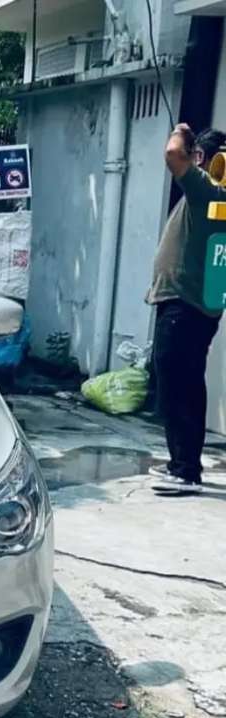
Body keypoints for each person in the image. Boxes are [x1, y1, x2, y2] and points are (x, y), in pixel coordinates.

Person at [146, 123, 226, 496]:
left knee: (178, 386)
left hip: (184, 306)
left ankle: (185, 471)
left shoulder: (207, 191)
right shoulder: (215, 196)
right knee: (187, 384)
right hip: (196, 306)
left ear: (201, 158)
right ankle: (182, 462)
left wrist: (180, 129)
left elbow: (172, 153)